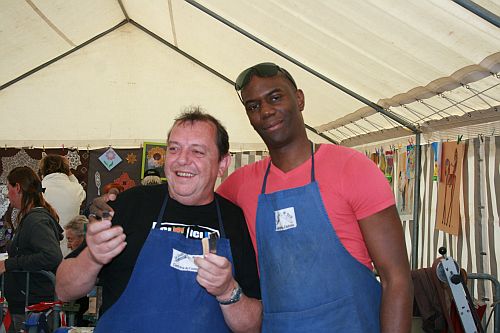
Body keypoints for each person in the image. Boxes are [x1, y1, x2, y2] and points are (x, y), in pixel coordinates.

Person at [216, 62, 413, 332]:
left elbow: (396, 279)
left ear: (299, 98)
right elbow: (198, 213)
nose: (266, 111)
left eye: (275, 97)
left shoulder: (352, 167)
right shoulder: (239, 186)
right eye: (254, 106)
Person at [56, 108, 262, 332]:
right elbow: (64, 290)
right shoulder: (130, 206)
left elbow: (253, 326)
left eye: (198, 152)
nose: (182, 160)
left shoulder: (235, 220)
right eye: (174, 149)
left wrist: (227, 291)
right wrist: (92, 258)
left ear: (222, 163)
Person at [0, 167, 63, 333]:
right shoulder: (33, 218)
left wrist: (10, 264)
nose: (8, 194)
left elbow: (51, 256)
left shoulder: (36, 221)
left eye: (8, 188)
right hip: (26, 302)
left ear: (18, 187)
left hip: (33, 304)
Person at [39, 154, 86, 256]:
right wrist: (70, 174)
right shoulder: (76, 189)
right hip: (70, 248)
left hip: (45, 249)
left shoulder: (39, 190)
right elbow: (81, 192)